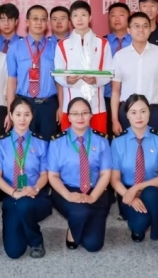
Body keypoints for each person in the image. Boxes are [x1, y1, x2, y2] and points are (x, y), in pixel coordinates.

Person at [47, 97, 113, 252]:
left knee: (93, 245)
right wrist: (68, 195)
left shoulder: (101, 140)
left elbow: (105, 174)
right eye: (75, 114)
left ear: (91, 115)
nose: (80, 117)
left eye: (84, 113)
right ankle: (74, 225)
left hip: (95, 190)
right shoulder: (57, 142)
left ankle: (81, 220)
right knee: (81, 211)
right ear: (68, 117)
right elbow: (53, 176)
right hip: (67, 189)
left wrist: (93, 197)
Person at [111, 95, 158, 256]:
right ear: (127, 115)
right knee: (139, 225)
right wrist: (130, 195)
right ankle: (142, 221)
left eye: (143, 111)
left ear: (149, 113)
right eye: (133, 112)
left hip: (155, 190)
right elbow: (114, 179)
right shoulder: (118, 142)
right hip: (127, 192)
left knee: (151, 194)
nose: (139, 116)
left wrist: (138, 187)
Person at [0, 97, 52, 259]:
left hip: (36, 195)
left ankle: (36, 241)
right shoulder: (0, 144)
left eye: (26, 114)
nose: (22, 119)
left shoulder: (41, 143)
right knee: (14, 252)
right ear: (11, 115)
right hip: (11, 196)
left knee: (25, 205)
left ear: (32, 116)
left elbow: (45, 174)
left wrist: (35, 188)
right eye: (18, 114)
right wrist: (14, 193)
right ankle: (23, 226)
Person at [111, 12, 158, 135]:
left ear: (150, 29)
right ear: (128, 30)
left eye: (145, 26)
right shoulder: (120, 56)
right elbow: (115, 91)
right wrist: (114, 120)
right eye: (136, 26)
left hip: (155, 112)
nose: (141, 30)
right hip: (127, 111)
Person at [54, 0, 113, 133]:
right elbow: (58, 73)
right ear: (71, 19)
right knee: (70, 143)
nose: (79, 19)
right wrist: (67, 80)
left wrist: (96, 80)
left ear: (90, 17)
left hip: (96, 106)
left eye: (83, 15)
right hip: (70, 105)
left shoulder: (103, 43)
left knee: (98, 142)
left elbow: (109, 72)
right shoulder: (62, 45)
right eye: (75, 15)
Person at [7, 5, 61, 139]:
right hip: (23, 105)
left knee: (48, 144)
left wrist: (61, 106)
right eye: (35, 19)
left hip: (48, 106)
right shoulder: (14, 48)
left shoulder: (55, 48)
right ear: (27, 22)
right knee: (24, 144)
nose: (39, 22)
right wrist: (10, 111)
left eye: (43, 19)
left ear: (47, 23)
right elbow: (11, 81)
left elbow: (60, 81)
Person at [104, 2, 132, 138]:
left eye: (121, 15)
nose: (116, 19)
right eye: (112, 15)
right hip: (107, 98)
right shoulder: (101, 43)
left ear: (129, 18)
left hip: (131, 99)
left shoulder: (137, 42)